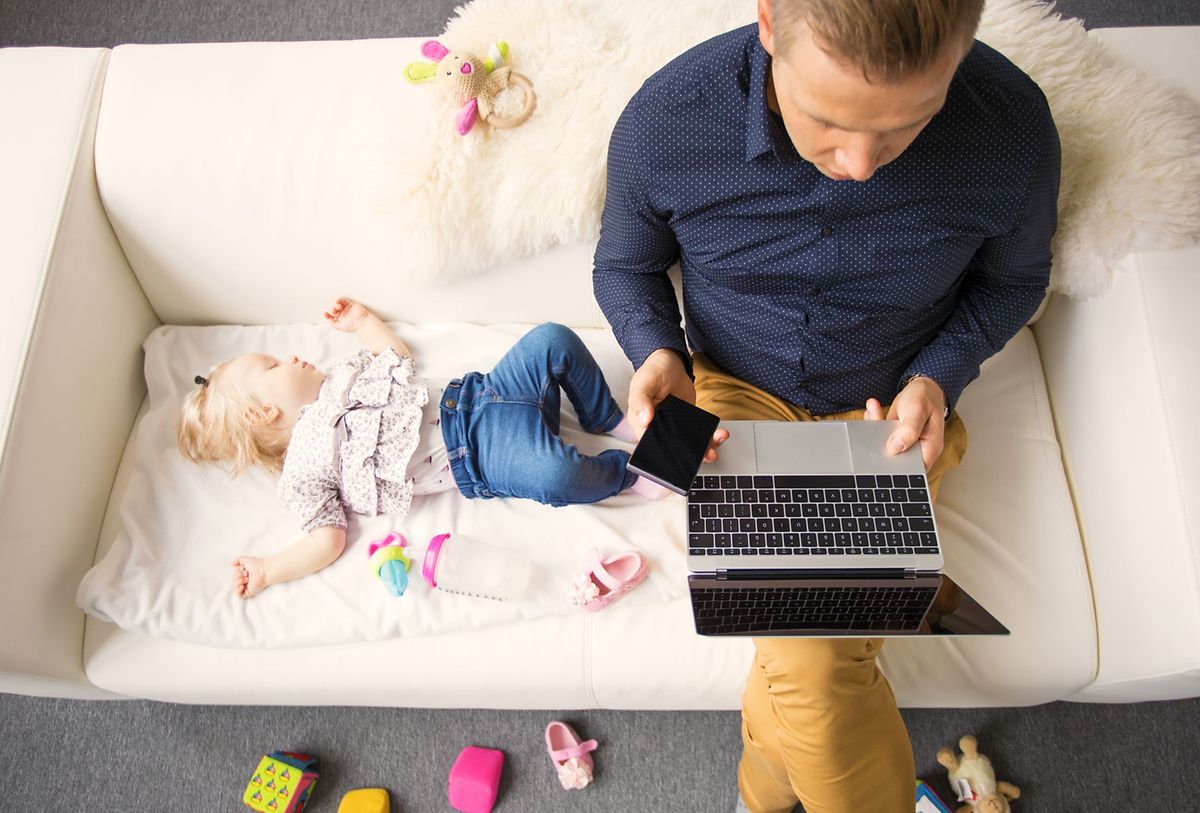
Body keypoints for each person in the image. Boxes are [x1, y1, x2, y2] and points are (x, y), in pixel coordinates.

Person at [593, 0, 1060, 810]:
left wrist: (939, 377)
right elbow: (624, 266)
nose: (862, 163)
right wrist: (658, 352)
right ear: (771, 25)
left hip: (894, 413)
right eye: (830, 122)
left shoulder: (1012, 129)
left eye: (906, 125)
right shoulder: (667, 121)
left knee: (807, 658)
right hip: (734, 399)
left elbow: (1014, 282)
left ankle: (761, 797)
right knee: (816, 655)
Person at [178, 298, 669, 598]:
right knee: (555, 476)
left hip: (484, 391)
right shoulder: (304, 473)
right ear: (260, 415)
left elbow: (394, 355)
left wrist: (363, 320)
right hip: (479, 454)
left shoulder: (342, 378)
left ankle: (607, 416)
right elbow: (324, 540)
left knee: (552, 338)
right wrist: (268, 569)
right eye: (272, 367)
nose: (289, 357)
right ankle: (627, 473)